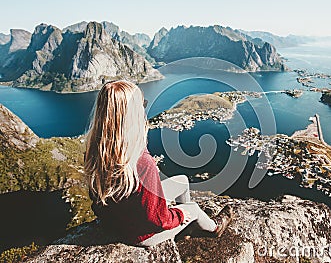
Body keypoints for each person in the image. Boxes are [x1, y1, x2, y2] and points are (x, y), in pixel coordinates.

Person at [84, 80, 233, 247]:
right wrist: (179, 215)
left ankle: (184, 229)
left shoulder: (96, 150)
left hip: (114, 223)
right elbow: (156, 219)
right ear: (134, 114)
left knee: (182, 181)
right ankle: (214, 228)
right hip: (141, 235)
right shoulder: (141, 161)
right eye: (142, 104)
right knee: (193, 208)